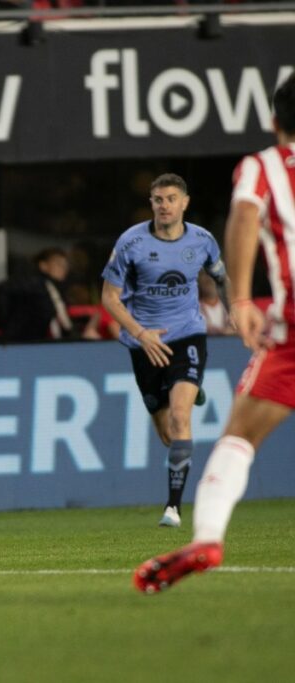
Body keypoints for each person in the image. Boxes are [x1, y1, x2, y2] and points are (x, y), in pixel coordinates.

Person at [134, 75, 295, 593]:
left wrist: (242, 298)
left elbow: (245, 215)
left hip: (291, 326)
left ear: (275, 122)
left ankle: (206, 537)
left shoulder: (264, 166)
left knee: (239, 438)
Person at [101, 173, 230, 529]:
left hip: (188, 334)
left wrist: (237, 312)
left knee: (179, 417)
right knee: (166, 432)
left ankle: (173, 507)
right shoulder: (131, 243)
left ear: (185, 202)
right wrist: (141, 334)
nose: (164, 206)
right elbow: (109, 299)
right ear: (151, 204)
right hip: (144, 343)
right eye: (158, 199)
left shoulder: (203, 240)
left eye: (171, 198)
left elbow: (221, 278)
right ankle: (186, 385)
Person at [1, 247, 75, 342]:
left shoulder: (55, 287)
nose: (64, 268)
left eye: (66, 265)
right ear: (43, 265)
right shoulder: (37, 286)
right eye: (58, 264)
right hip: (28, 344)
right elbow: (61, 320)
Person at [199, 271, 234, 336]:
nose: (210, 280)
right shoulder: (193, 309)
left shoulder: (229, 306)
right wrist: (223, 331)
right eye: (206, 276)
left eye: (213, 277)